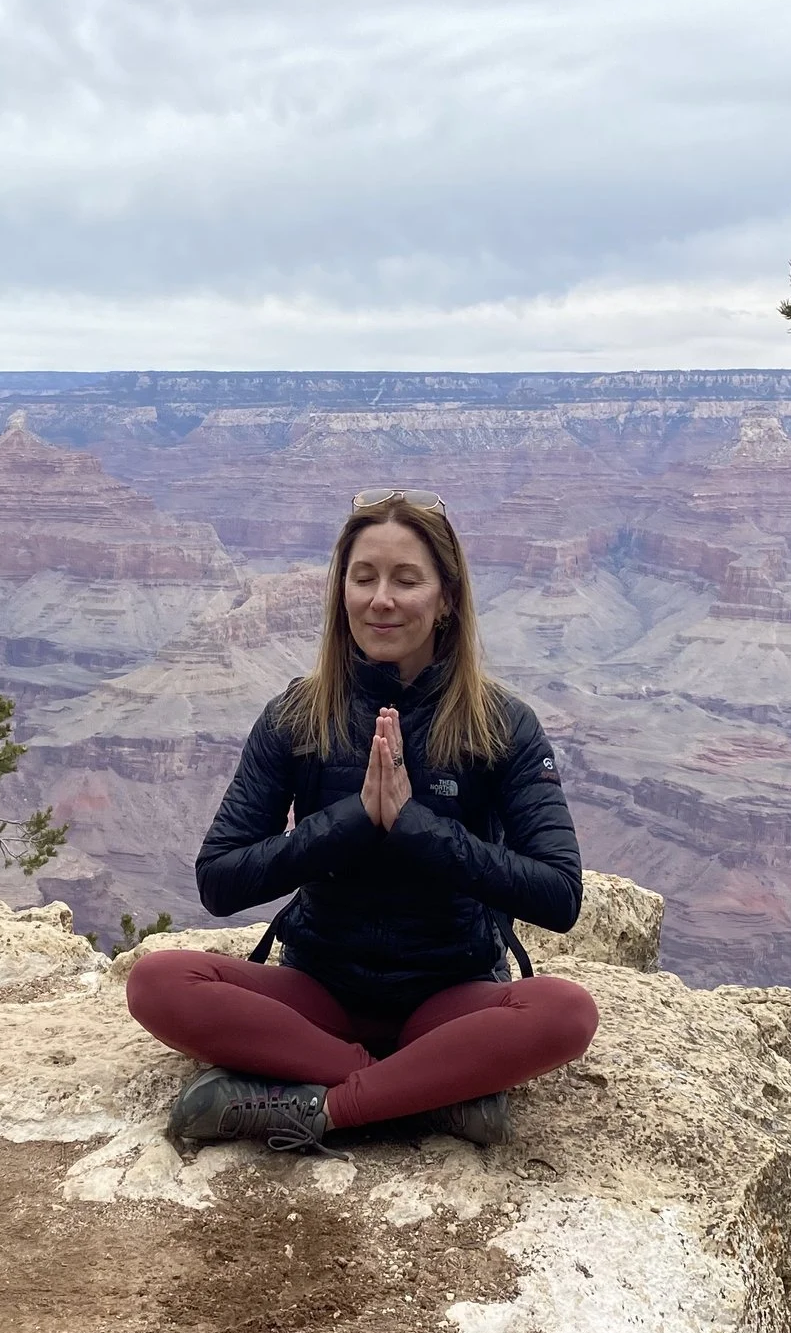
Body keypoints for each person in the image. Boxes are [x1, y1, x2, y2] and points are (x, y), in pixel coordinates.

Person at [126, 487, 598, 1153]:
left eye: (407, 579)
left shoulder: (501, 725)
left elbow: (560, 893)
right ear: (340, 591)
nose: (382, 599)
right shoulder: (296, 716)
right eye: (364, 577)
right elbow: (220, 878)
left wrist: (416, 828)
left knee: (566, 1012)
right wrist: (352, 820)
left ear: (447, 598)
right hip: (319, 989)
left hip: (447, 995)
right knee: (156, 981)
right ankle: (420, 1095)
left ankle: (326, 1105)